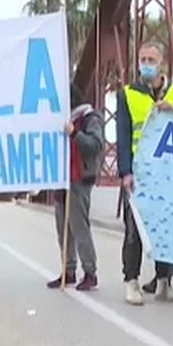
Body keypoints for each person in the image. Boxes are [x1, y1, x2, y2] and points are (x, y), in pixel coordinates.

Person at [116, 41, 173, 305]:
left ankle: (163, 281)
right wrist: (125, 172)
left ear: (162, 64)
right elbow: (123, 135)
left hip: (168, 175)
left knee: (166, 229)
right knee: (134, 230)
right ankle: (131, 281)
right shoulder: (128, 93)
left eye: (151, 60)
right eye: (142, 59)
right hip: (139, 174)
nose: (145, 64)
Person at [47, 85, 105, 290]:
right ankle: (68, 271)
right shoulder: (58, 120)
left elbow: (94, 146)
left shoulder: (90, 119)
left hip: (79, 178)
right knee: (62, 226)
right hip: (60, 179)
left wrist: (74, 134)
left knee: (79, 227)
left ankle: (90, 272)